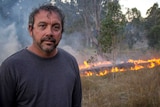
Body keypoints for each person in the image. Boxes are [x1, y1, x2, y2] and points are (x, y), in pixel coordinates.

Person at [0, 3, 82, 107]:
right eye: (42, 26)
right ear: (31, 30)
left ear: (61, 32)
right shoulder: (11, 67)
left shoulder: (71, 62)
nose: (49, 33)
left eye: (56, 27)